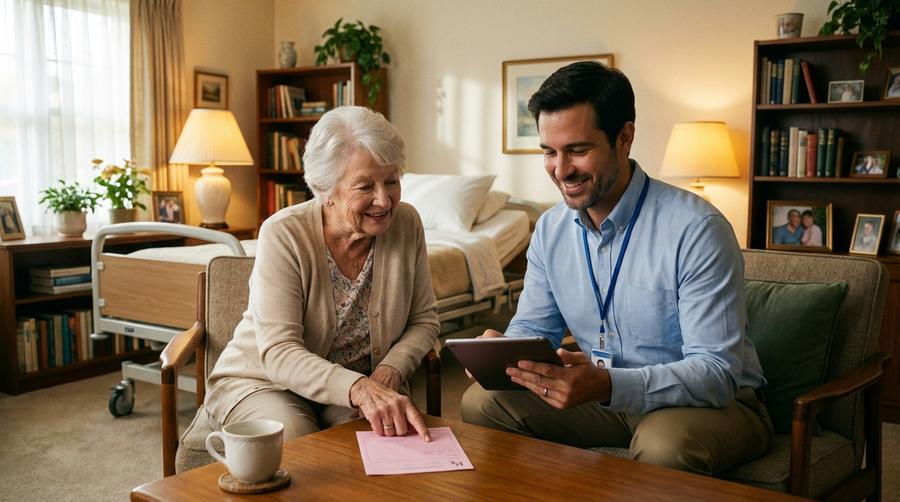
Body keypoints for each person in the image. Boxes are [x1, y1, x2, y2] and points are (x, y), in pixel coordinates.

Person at [460, 61, 772, 476]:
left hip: (710, 404)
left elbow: (717, 373)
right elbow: (534, 330)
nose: (561, 170)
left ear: (624, 138)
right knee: (482, 403)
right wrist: (502, 352)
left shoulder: (697, 228)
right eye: (549, 152)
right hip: (604, 398)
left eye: (577, 150)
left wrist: (608, 384)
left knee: (663, 445)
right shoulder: (550, 229)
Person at [205, 106, 440, 443]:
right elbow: (280, 352)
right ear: (323, 189)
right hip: (265, 382)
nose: (384, 200)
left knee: (379, 442)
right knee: (297, 441)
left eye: (392, 181)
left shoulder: (407, 223)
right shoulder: (284, 233)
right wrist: (358, 388)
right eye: (365, 186)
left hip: (358, 386)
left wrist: (391, 370)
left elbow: (424, 320)